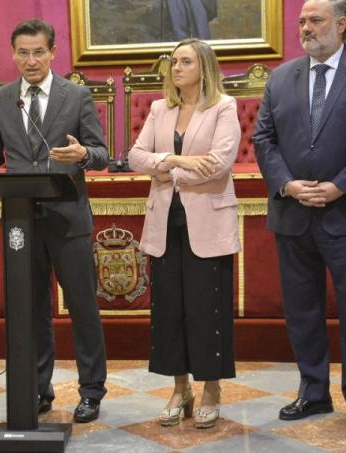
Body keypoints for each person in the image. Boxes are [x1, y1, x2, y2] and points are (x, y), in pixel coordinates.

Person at [252, 0, 346, 430]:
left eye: (316, 20)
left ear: (342, 24)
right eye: (302, 21)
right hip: (293, 214)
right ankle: (313, 392)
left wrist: (340, 186)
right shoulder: (280, 78)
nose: (306, 28)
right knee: (302, 311)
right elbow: (264, 139)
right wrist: (286, 184)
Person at [0, 18, 108, 424]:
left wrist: (81, 154)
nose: (30, 60)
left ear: (53, 53)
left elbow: (101, 155)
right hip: (21, 221)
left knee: (83, 308)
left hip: (68, 219)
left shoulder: (77, 95)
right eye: (22, 53)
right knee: (31, 311)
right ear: (13, 54)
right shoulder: (2, 99)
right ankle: (37, 390)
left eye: (38, 52)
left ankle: (91, 391)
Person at [129, 38, 240, 429]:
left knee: (205, 309)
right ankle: (181, 389)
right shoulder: (160, 108)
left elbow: (219, 163)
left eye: (185, 61)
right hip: (165, 223)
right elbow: (135, 156)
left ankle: (211, 389)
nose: (176, 68)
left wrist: (169, 162)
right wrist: (174, 163)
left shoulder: (223, 107)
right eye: (173, 61)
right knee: (170, 310)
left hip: (207, 223)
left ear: (203, 66)